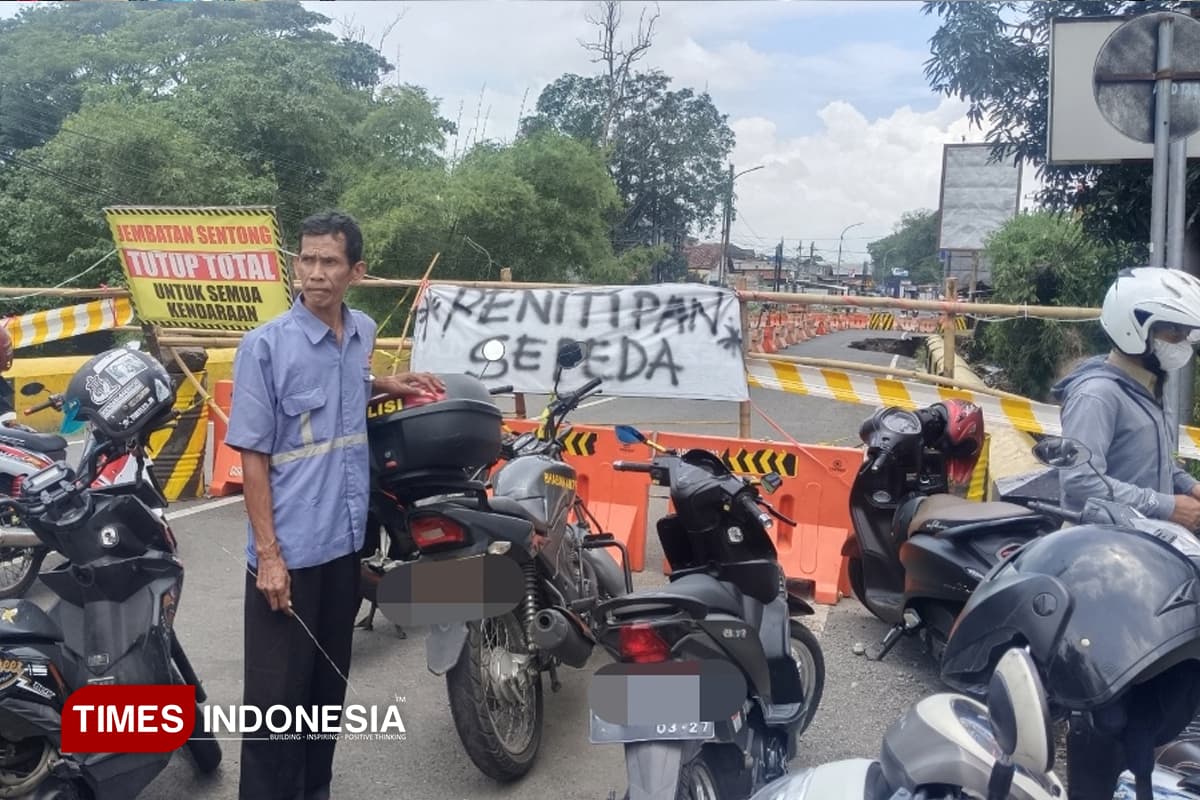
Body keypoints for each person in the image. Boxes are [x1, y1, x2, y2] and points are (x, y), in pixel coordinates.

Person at [224, 210, 443, 800]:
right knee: (276, 704)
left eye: (329, 262)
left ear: (356, 271)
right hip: (288, 555)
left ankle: (312, 789)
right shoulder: (266, 348)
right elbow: (251, 458)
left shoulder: (363, 332)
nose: (314, 274)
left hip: (345, 545)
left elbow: (349, 384)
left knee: (325, 691)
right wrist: (268, 555)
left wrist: (388, 384)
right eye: (306, 260)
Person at [1049, 266, 1200, 531]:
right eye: (1175, 332)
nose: (1183, 343)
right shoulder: (1097, 395)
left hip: (1143, 542)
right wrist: (1167, 506)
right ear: (1136, 329)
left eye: (1187, 334)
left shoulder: (1148, 388)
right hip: (1101, 550)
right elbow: (1080, 481)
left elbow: (1151, 467)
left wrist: (1190, 486)